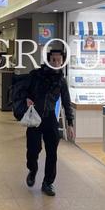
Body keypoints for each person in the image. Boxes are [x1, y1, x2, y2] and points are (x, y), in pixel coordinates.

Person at [25, 49, 75, 196]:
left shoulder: (61, 81)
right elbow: (25, 91)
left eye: (59, 60)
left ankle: (48, 183)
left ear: (63, 62)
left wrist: (70, 123)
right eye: (53, 60)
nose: (56, 63)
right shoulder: (36, 75)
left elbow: (66, 102)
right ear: (48, 60)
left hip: (50, 118)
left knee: (52, 152)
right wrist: (27, 98)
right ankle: (32, 169)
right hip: (35, 118)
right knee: (33, 149)